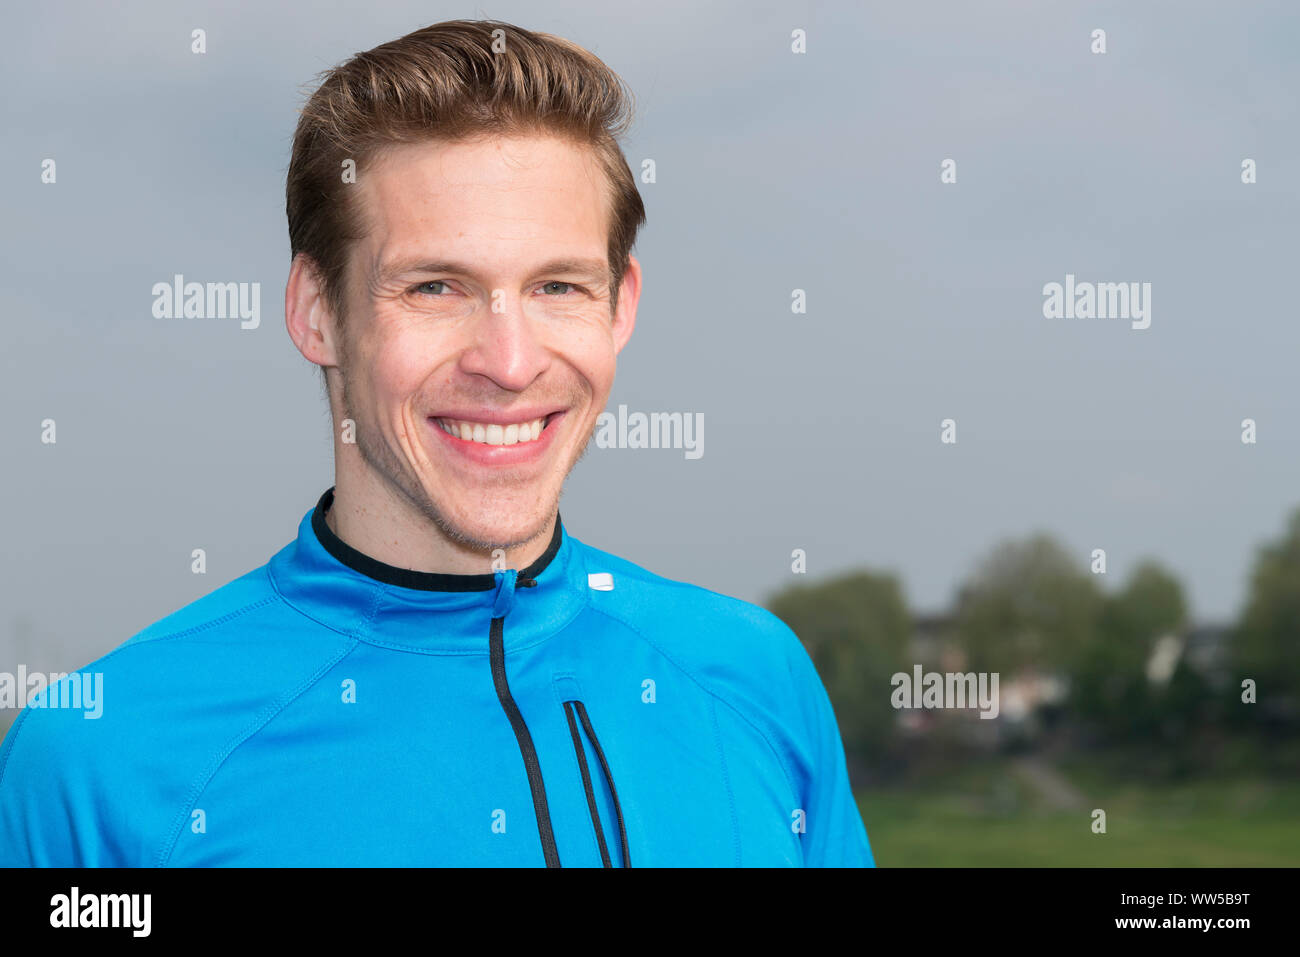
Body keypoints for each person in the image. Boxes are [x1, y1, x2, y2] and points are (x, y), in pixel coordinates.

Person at [0, 18, 873, 867]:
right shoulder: (101, 756)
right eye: (435, 287)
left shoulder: (755, 676)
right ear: (316, 311)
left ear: (622, 305)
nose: (510, 362)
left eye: (558, 286)